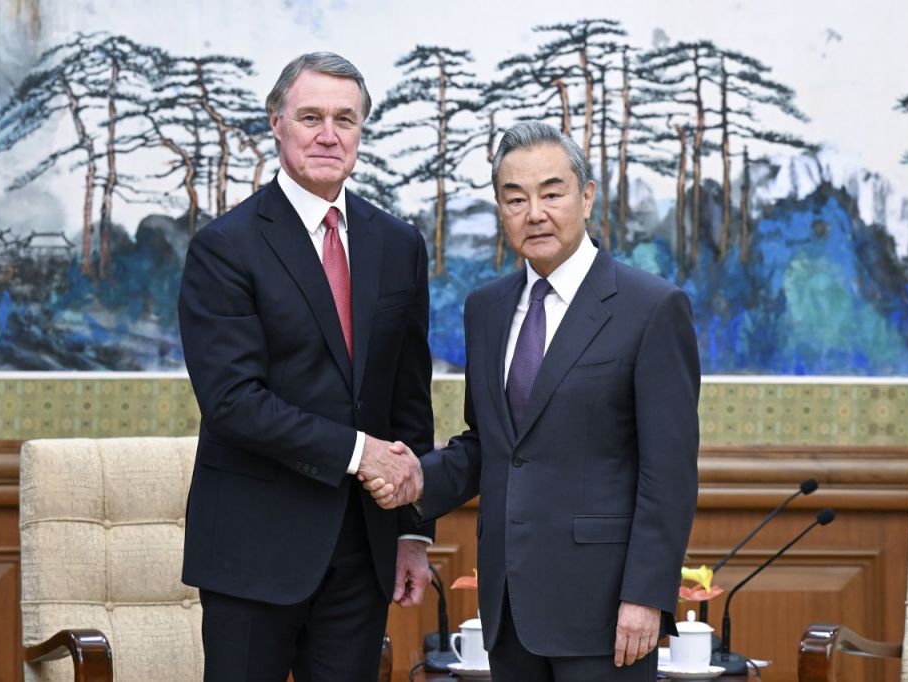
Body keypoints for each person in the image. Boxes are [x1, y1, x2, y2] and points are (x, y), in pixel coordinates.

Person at [366, 121, 700, 681]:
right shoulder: (486, 309)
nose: (534, 213)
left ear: (586, 197)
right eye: (515, 198)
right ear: (500, 208)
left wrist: (646, 595)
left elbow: (669, 470)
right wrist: (419, 478)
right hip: (509, 605)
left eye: (552, 193)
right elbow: (491, 443)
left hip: (606, 610)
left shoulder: (651, 307)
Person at [178, 52, 432, 682]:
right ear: (276, 123)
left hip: (362, 550)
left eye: (345, 119)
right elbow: (233, 400)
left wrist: (412, 532)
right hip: (252, 550)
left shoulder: (398, 244)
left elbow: (408, 396)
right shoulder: (224, 248)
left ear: (360, 130)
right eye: (310, 116)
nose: (328, 134)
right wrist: (359, 452)